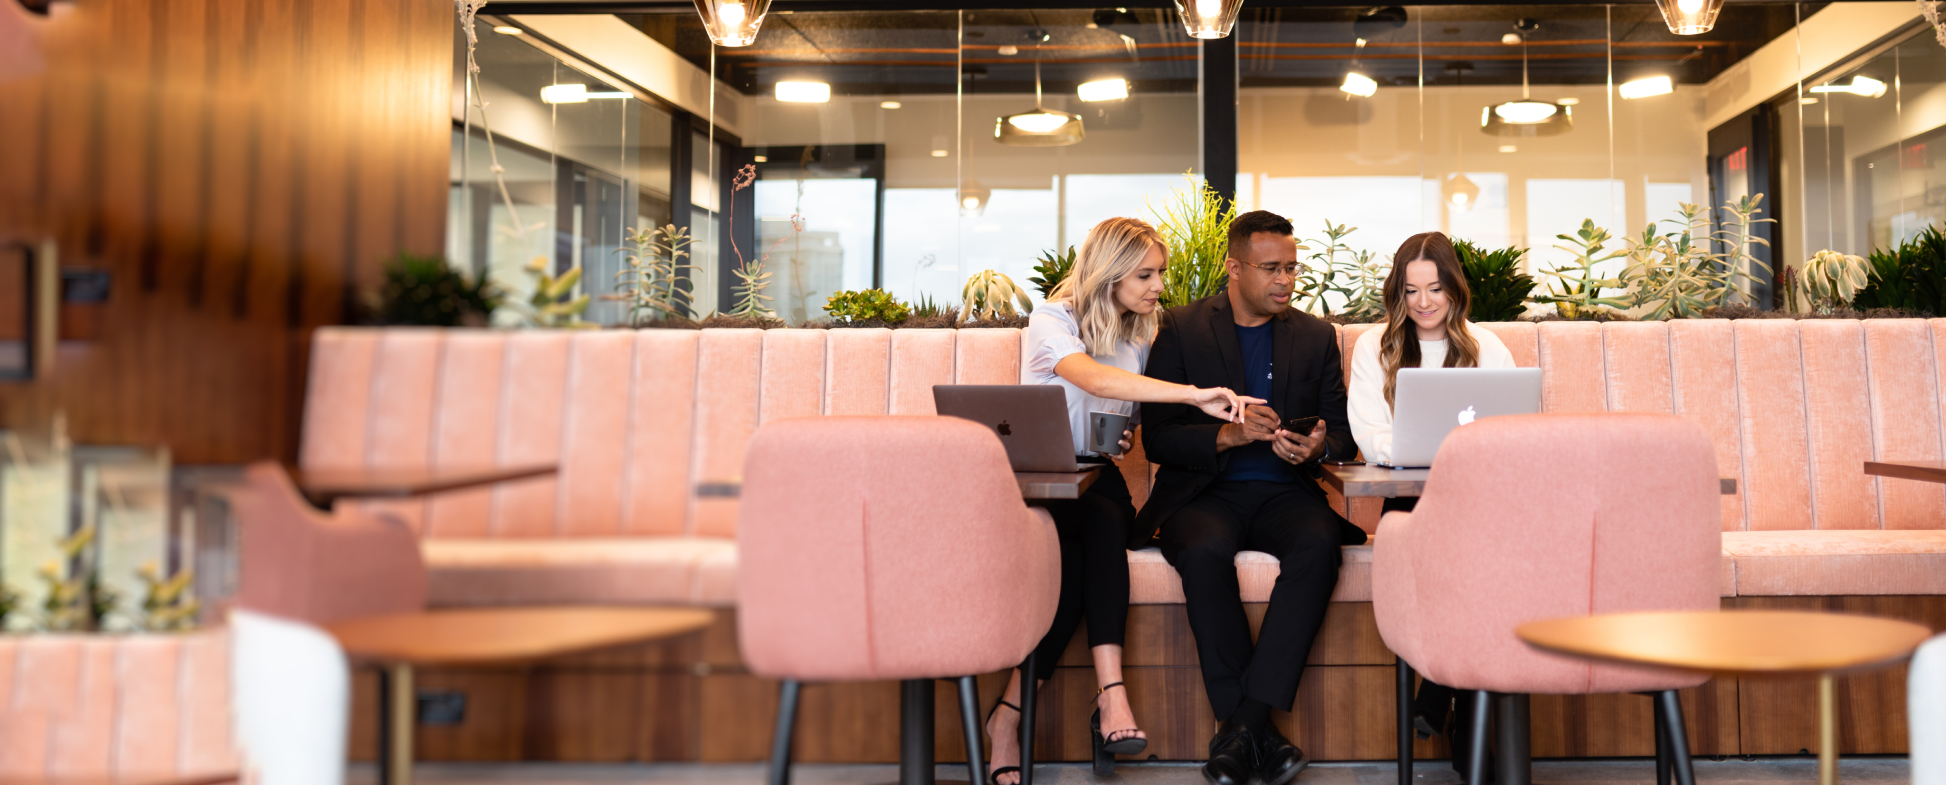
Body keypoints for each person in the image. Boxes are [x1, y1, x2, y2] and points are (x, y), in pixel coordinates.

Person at [984, 216, 1262, 785]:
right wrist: (1195, 395)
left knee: (1107, 522)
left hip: (1094, 473)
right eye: (1145, 274)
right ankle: (1104, 700)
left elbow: (1120, 407)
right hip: (1039, 481)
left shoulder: (1141, 330)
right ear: (1110, 274)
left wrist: (1126, 433)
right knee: (1087, 550)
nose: (1159, 284)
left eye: (1161, 272)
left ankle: (1014, 716)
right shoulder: (1051, 321)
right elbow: (1095, 381)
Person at [1137, 210, 1368, 785]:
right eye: (1270, 268)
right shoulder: (1180, 328)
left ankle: (1240, 728)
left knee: (1319, 546)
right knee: (1202, 550)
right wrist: (1227, 435)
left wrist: (1314, 448)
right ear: (1234, 268)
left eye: (1291, 267)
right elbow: (1158, 436)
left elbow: (1343, 434)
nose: (1285, 280)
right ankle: (1256, 731)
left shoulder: (1316, 336)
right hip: (1203, 493)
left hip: (1285, 492)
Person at [1346, 230, 1514, 782]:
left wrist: (1438, 450)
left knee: (1478, 551)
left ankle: (1438, 690)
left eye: (1435, 289)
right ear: (1397, 291)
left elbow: (1514, 432)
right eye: (1411, 290)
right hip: (1410, 503)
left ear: (1454, 291)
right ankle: (1463, 727)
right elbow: (1371, 438)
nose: (1423, 302)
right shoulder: (1376, 346)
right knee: (1473, 561)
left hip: (1482, 500)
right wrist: (1437, 451)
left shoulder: (1487, 347)